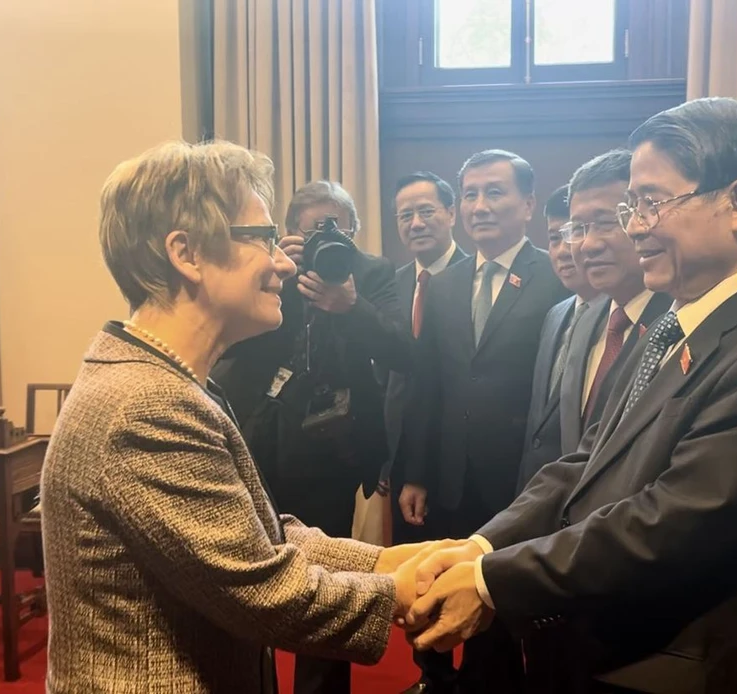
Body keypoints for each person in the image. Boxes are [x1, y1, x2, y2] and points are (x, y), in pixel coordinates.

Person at [405, 98, 737, 694]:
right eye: (631, 206)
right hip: (603, 655)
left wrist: (491, 580)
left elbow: (673, 522)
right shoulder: (673, 323)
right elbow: (584, 463)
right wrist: (482, 542)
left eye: (651, 202)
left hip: (692, 670)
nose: (634, 225)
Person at [39, 140, 444, 694]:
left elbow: (265, 535)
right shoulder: (148, 405)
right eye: (264, 239)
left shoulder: (173, 380)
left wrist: (390, 559)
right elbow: (263, 591)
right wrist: (403, 588)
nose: (283, 261)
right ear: (188, 255)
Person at [212, 179, 412, 694]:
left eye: (337, 227)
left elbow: (401, 353)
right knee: (247, 570)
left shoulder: (372, 272)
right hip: (261, 437)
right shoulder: (271, 267)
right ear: (289, 235)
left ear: (354, 229)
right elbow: (235, 343)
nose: (327, 238)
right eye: (311, 229)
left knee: (325, 582)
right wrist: (279, 271)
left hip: (332, 447)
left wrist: (350, 306)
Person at [401, 149, 570, 692]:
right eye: (470, 194)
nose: (480, 206)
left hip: (521, 478)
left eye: (494, 192)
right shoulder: (445, 283)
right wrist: (416, 471)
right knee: (442, 584)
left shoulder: (557, 278)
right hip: (453, 472)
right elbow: (427, 387)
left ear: (527, 203)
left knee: (501, 598)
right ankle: (442, 679)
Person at [383, 171, 468, 693]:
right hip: (403, 451)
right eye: (405, 215)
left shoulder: (472, 276)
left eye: (426, 211)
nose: (415, 223)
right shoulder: (392, 283)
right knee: (419, 571)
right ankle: (432, 675)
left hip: (462, 453)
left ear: (451, 213)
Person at [555, 150, 671, 467]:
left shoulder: (677, 323)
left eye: (605, 223)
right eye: (577, 228)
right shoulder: (585, 318)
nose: (588, 244)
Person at [515, 185, 600, 493]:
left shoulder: (625, 323)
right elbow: (535, 430)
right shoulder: (555, 316)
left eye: (575, 234)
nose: (565, 249)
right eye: (554, 238)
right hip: (538, 495)